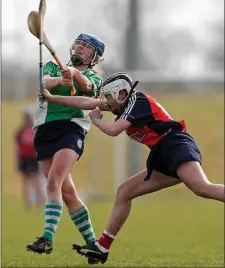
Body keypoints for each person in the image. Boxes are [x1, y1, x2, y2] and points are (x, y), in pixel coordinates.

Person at [41, 72, 225, 264]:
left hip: (176, 145)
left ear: (122, 93)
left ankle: (101, 247)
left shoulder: (137, 100)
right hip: (161, 153)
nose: (107, 102)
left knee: (202, 188)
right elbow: (85, 102)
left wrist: (95, 120)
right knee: (125, 191)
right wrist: (52, 98)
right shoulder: (123, 102)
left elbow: (113, 131)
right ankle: (101, 248)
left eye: (110, 97)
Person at [26, 33, 105, 265]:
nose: (80, 48)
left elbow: (89, 88)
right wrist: (62, 79)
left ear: (95, 57)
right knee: (68, 194)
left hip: (72, 129)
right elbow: (43, 83)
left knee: (53, 181)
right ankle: (94, 246)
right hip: (44, 130)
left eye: (86, 47)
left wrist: (76, 75)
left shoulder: (94, 75)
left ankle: (47, 238)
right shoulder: (53, 65)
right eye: (78, 44)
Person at [15, 107, 46, 210]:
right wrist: (17, 160)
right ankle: (28, 204)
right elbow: (17, 148)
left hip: (34, 158)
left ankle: (40, 202)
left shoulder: (36, 129)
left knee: (37, 180)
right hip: (24, 158)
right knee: (26, 181)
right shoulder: (20, 131)